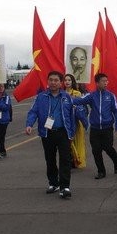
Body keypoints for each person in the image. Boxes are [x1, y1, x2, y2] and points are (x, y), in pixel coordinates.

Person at [25, 71, 75, 199]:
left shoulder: (66, 97)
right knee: (50, 159)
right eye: (51, 80)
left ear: (61, 82)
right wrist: (29, 124)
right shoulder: (41, 97)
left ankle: (65, 187)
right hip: (47, 133)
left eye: (56, 80)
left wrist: (72, 132)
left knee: (65, 159)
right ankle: (53, 183)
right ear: (47, 82)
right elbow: (33, 112)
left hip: (63, 132)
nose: (53, 82)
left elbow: (71, 116)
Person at [73, 73, 117, 179]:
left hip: (107, 128)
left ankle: (116, 159)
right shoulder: (91, 96)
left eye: (106, 81)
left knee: (107, 147)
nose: (106, 83)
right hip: (95, 129)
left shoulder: (110, 96)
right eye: (103, 81)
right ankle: (101, 171)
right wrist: (66, 98)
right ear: (97, 83)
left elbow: (116, 112)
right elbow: (79, 101)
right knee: (96, 150)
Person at [64, 74, 88, 168]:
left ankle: (77, 160)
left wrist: (75, 107)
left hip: (76, 121)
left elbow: (81, 107)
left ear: (72, 81)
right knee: (67, 143)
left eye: (69, 80)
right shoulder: (61, 93)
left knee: (77, 141)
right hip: (66, 122)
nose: (67, 82)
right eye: (65, 80)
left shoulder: (77, 93)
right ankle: (70, 161)